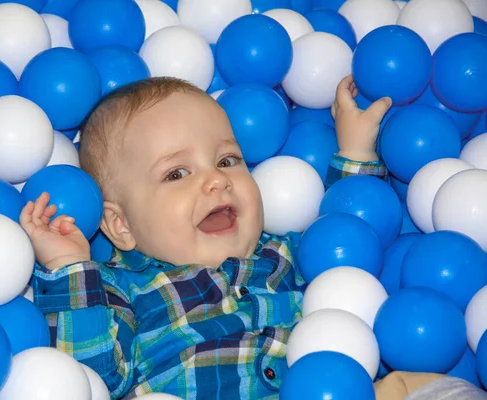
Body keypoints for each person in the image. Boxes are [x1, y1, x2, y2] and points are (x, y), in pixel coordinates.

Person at [20, 74, 391, 399]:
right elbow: (89, 380)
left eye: (227, 160)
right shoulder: (120, 291)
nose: (217, 179)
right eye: (177, 173)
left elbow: (349, 248)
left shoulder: (286, 255)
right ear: (122, 226)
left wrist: (356, 152)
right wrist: (67, 265)